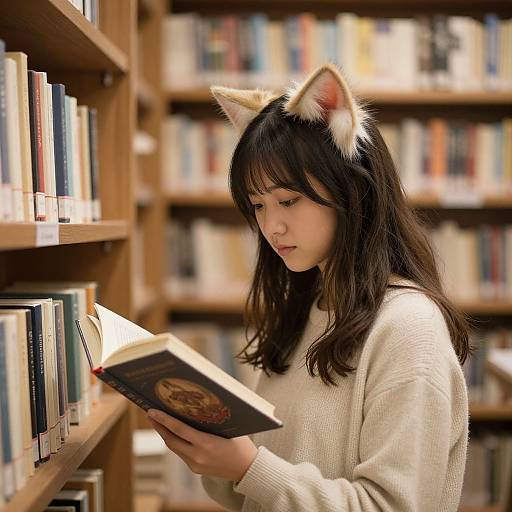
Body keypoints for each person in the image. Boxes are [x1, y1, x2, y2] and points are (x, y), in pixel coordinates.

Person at [147, 63, 471, 511]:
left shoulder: (408, 328)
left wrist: (247, 467)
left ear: (352, 188)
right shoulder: (310, 306)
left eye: (288, 200)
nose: (270, 226)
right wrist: (218, 455)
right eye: (257, 205)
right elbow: (259, 485)